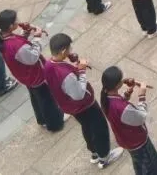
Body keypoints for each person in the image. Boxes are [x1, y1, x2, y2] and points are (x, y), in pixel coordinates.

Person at [45, 33, 124, 167]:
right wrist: (81, 72)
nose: (70, 50)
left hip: (69, 106)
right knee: (99, 127)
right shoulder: (66, 75)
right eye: (69, 48)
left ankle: (94, 152)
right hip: (84, 105)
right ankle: (104, 156)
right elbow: (79, 94)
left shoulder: (48, 64)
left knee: (87, 127)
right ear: (63, 51)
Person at [0, 12, 65, 133]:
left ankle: (42, 119)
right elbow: (32, 57)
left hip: (25, 76)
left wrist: (26, 33)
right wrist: (37, 38)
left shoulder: (4, 38)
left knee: (36, 98)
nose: (18, 21)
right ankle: (55, 123)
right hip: (34, 75)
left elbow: (20, 48)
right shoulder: (15, 45)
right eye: (16, 20)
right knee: (46, 99)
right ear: (11, 26)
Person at [100, 66, 157, 174]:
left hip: (126, 140)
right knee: (151, 167)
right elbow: (141, 117)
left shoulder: (106, 97)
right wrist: (142, 95)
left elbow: (118, 106)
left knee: (139, 164)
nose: (123, 80)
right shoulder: (122, 108)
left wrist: (128, 92)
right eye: (121, 79)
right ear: (117, 85)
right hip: (138, 142)